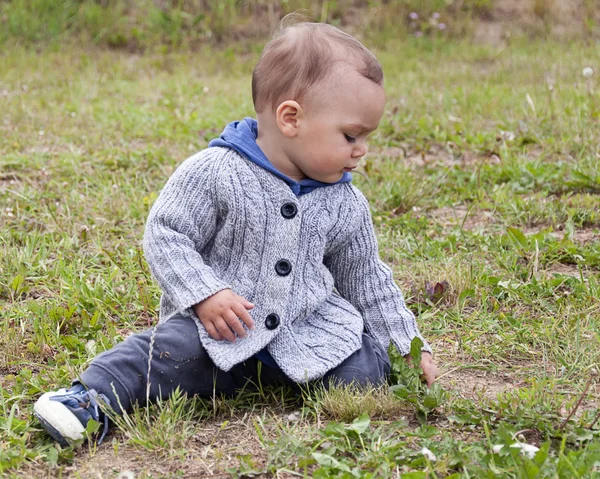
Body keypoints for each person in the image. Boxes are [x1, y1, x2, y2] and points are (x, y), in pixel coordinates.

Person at [34, 20, 439, 447]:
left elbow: (367, 280)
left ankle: (348, 367)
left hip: (308, 332)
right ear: (291, 118)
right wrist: (205, 293)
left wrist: (407, 347)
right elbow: (166, 233)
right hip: (220, 329)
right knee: (163, 353)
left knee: (363, 370)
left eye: (366, 138)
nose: (362, 150)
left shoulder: (345, 202)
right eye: (351, 135)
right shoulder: (216, 172)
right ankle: (88, 398)